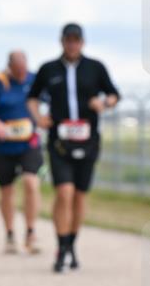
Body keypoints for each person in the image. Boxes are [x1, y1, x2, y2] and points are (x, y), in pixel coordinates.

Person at [27, 23, 119, 272]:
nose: (72, 44)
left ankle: (71, 243)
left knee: (79, 195)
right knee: (63, 193)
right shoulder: (48, 69)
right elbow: (32, 97)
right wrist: (38, 118)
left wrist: (104, 103)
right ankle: (60, 245)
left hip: (88, 141)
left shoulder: (95, 68)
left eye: (76, 40)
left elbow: (113, 94)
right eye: (68, 40)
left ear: (82, 42)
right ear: (62, 42)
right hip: (59, 141)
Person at [0, 51, 44, 255]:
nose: (22, 73)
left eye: (24, 68)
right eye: (18, 70)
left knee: (31, 183)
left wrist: (42, 119)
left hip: (29, 142)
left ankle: (31, 233)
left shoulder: (34, 81)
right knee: (6, 190)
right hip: (3, 145)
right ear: (10, 67)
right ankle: (10, 234)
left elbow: (49, 100)